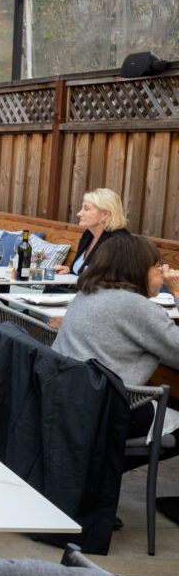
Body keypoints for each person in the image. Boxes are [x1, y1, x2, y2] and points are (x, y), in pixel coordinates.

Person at [52, 234, 179, 464]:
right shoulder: (137, 307)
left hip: (66, 399)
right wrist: (178, 293)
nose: (162, 272)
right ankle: (101, 473)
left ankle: (95, 473)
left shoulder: (87, 293)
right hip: (105, 409)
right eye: (157, 266)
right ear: (138, 269)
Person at [53, 187, 130, 276]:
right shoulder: (89, 234)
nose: (79, 214)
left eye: (86, 209)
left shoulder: (119, 241)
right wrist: (69, 270)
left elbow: (108, 279)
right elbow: (82, 271)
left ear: (105, 215)